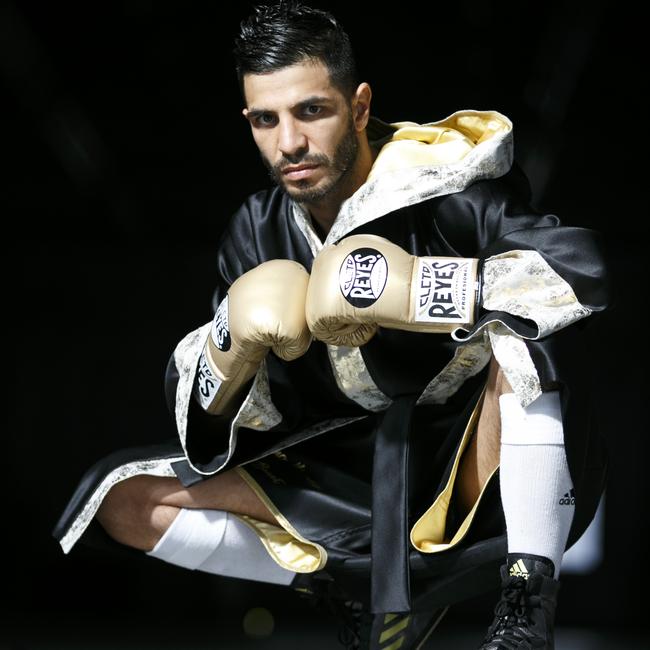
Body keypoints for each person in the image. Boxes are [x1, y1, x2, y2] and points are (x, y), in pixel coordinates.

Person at [53, 2, 611, 648]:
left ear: (361, 107)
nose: (288, 142)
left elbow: (584, 271)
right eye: (266, 119)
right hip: (350, 484)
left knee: (527, 329)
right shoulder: (256, 233)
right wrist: (232, 341)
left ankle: (526, 607)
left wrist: (428, 289)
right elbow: (207, 429)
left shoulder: (447, 190)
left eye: (310, 111)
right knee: (126, 502)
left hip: (475, 477)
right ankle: (363, 590)